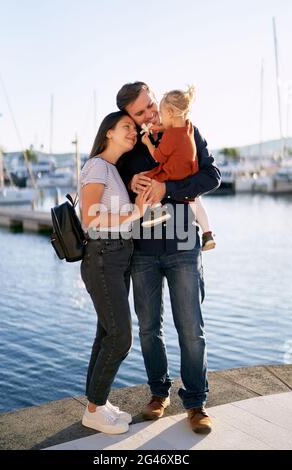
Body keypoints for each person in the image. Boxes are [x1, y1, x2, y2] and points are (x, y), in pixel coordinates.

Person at [116, 82, 221, 433]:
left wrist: (168, 189)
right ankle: (158, 394)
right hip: (142, 249)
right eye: (140, 112)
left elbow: (212, 176)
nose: (149, 115)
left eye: (151, 107)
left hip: (183, 247)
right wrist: (128, 183)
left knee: (191, 329)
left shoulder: (184, 130)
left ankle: (196, 403)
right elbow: (107, 190)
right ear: (128, 117)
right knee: (148, 330)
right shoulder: (125, 146)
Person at [80, 111, 151, 434]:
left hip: (118, 257)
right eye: (126, 127)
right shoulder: (97, 166)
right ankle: (93, 411)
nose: (133, 133)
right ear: (108, 132)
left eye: (135, 130)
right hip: (103, 257)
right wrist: (135, 212)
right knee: (121, 337)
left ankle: (98, 403)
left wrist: (137, 207)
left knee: (105, 334)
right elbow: (90, 220)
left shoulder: (112, 170)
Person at [141, 85, 215, 251]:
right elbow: (173, 128)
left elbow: (158, 156)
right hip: (191, 171)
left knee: (151, 179)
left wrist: (148, 143)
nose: (159, 116)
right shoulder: (188, 127)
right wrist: (160, 127)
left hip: (174, 173)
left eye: (161, 112)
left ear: (171, 113)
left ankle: (157, 210)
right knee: (196, 202)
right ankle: (208, 233)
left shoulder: (169, 136)